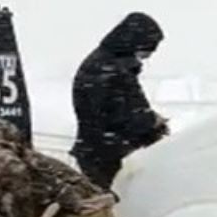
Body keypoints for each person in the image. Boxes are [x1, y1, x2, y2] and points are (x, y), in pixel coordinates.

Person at [71, 12, 168, 190]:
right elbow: (121, 114)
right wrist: (151, 121)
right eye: (146, 51)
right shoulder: (113, 69)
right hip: (109, 153)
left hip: (99, 150)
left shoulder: (104, 63)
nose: (146, 57)